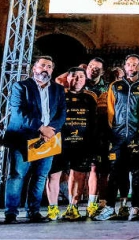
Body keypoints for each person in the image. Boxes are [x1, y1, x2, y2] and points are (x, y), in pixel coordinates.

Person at [3, 56, 66, 224]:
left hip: (48, 139)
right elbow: (18, 113)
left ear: (52, 70)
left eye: (49, 66)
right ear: (34, 68)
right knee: (17, 175)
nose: (45, 69)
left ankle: (34, 211)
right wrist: (41, 127)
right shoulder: (21, 86)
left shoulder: (58, 90)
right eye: (42, 65)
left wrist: (51, 130)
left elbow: (62, 113)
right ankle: (11, 213)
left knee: (40, 176)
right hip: (22, 139)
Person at [95, 54, 139, 221]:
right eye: (128, 64)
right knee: (115, 173)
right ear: (124, 67)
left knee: (138, 173)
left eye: (135, 64)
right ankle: (110, 208)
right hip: (119, 137)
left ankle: (136, 208)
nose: (131, 67)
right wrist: (115, 131)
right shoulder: (115, 86)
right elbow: (110, 112)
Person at [45, 68, 97, 221]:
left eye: (81, 76)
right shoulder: (59, 96)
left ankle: (72, 208)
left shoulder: (89, 98)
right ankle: (53, 208)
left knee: (78, 174)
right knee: (53, 175)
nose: (78, 79)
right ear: (67, 78)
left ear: (85, 79)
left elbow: (93, 122)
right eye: (74, 76)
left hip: (81, 143)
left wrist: (91, 142)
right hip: (59, 142)